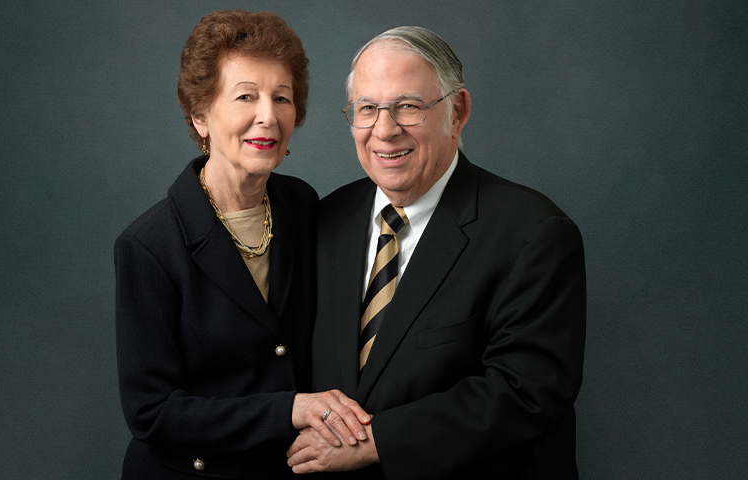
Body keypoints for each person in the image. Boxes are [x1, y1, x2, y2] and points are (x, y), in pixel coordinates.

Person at [286, 26, 586, 478]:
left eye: (408, 106)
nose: (384, 130)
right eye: (367, 108)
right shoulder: (326, 220)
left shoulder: (533, 232)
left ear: (457, 111)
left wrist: (376, 442)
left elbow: (528, 394)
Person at [114, 10, 369, 480]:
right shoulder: (148, 245)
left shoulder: (300, 204)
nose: (267, 115)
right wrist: (288, 409)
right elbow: (152, 412)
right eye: (246, 97)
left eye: (282, 97)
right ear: (200, 114)